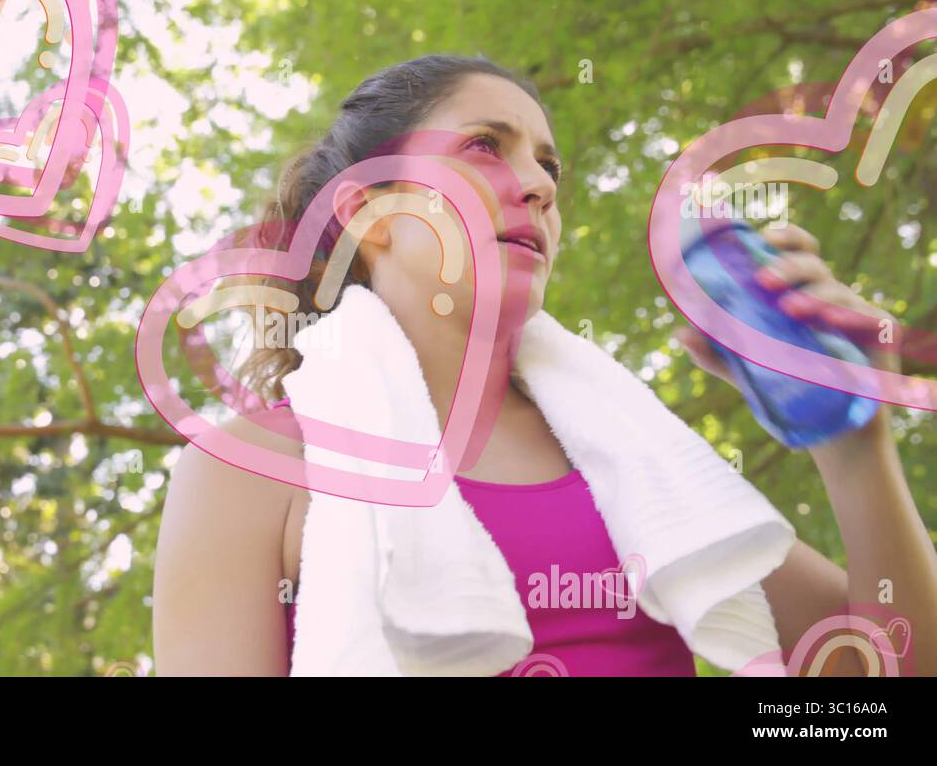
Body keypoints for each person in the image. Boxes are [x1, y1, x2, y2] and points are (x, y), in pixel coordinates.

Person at [152, 54, 937, 676]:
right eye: (485, 147)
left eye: (549, 169)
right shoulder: (249, 470)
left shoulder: (641, 459)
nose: (535, 185)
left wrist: (853, 440)